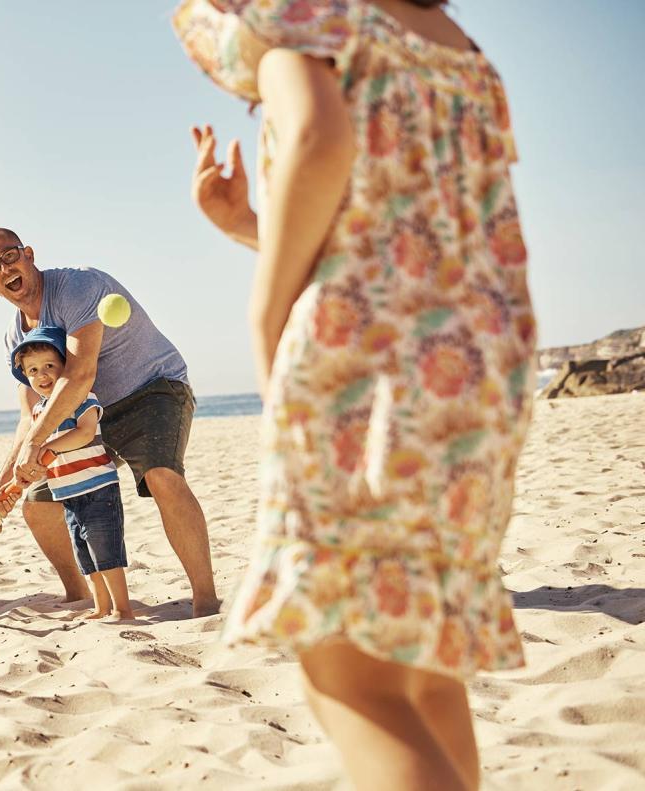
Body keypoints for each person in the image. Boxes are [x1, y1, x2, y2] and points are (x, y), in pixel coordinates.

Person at [174, 1, 536, 789]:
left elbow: (317, 136)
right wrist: (249, 228)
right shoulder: (455, 47)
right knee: (420, 662)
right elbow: (409, 232)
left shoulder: (305, 17)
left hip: (365, 368)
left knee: (350, 676)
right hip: (478, 369)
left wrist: (267, 307)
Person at [0, 227, 219, 617]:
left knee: (161, 476)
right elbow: (29, 415)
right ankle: (80, 595)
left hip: (151, 389)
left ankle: (205, 599)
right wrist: (4, 482)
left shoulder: (78, 287)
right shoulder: (14, 338)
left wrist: (38, 446)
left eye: (10, 256)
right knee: (38, 504)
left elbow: (79, 375)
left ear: (29, 254)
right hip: (86, 414)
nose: (5, 269)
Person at [10, 326, 134, 620]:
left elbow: (85, 433)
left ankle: (123, 608)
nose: (42, 375)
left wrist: (47, 448)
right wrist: (24, 473)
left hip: (97, 488)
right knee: (85, 555)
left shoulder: (81, 397)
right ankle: (101, 607)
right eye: (33, 370)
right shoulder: (40, 412)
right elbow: (39, 457)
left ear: (65, 366)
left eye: (50, 366)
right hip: (68, 493)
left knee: (106, 551)